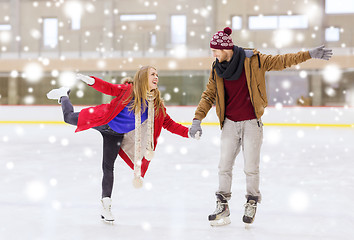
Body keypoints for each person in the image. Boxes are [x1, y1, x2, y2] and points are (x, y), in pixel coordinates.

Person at [188, 27, 332, 226]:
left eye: (215, 50)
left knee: (250, 168)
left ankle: (251, 202)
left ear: (226, 49)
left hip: (251, 123)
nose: (213, 54)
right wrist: (197, 119)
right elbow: (208, 95)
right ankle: (223, 205)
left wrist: (308, 54)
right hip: (229, 123)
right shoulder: (216, 68)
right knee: (224, 166)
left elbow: (282, 61)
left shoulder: (253, 60)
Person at [47, 66, 192, 223]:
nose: (156, 77)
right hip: (102, 119)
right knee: (68, 118)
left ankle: (106, 206)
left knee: (108, 167)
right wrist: (91, 81)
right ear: (143, 77)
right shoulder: (128, 91)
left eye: (157, 74)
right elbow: (108, 88)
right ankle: (63, 95)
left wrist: (188, 132)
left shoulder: (155, 106)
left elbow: (169, 124)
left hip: (114, 135)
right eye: (152, 74)